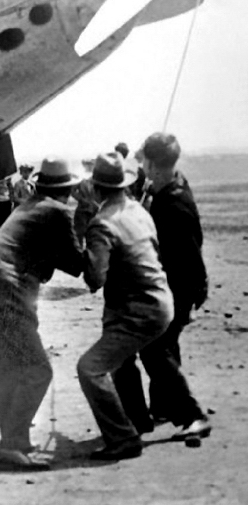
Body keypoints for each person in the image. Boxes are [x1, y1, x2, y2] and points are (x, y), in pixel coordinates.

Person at [0, 157, 84, 472]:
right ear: (67, 189)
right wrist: (89, 215)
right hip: (2, 291)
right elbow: (78, 264)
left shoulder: (28, 206)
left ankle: (13, 443)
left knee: (5, 364)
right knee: (37, 369)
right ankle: (11, 445)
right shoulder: (55, 211)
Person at [76, 152, 174, 461]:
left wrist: (83, 248)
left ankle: (123, 439)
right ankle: (136, 421)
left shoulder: (101, 224)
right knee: (120, 359)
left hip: (138, 312)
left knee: (90, 369)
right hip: (161, 301)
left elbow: (95, 280)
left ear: (95, 188)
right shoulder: (139, 210)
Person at [113, 133, 211, 440]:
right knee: (164, 347)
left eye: (144, 162)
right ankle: (165, 407)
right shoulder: (171, 187)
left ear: (154, 165)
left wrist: (188, 300)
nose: (141, 167)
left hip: (177, 288)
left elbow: (189, 260)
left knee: (154, 349)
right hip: (176, 287)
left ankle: (193, 416)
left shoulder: (174, 204)